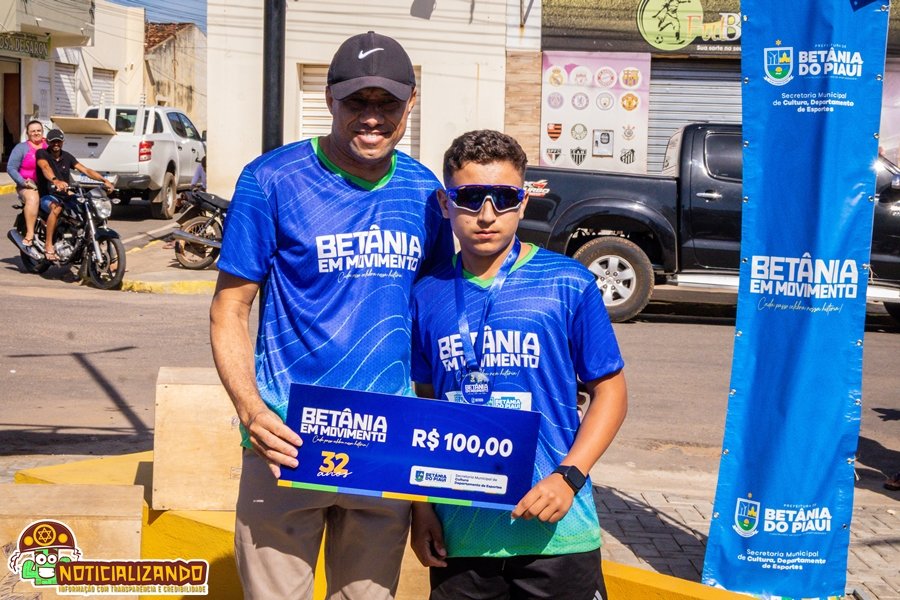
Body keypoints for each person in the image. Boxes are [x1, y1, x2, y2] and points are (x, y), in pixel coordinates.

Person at [209, 31, 453, 599]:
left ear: (410, 103)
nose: (372, 118)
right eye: (357, 103)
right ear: (329, 99)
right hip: (286, 442)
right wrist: (250, 410)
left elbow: (434, 325)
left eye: (386, 103)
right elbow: (229, 307)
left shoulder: (424, 192)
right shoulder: (270, 180)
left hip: (384, 444)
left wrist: (425, 487)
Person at [409, 130, 628, 600]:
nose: (486, 214)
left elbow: (610, 391)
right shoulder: (425, 293)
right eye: (469, 198)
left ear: (523, 202)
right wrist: (422, 506)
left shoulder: (567, 282)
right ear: (446, 204)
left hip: (558, 534)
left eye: (503, 197)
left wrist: (569, 476)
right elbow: (422, 404)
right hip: (462, 538)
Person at [35, 129, 113, 262]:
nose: (56, 144)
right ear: (48, 142)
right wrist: (56, 180)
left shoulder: (67, 156)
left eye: (58, 141)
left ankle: (90, 246)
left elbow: (85, 170)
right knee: (57, 208)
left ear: (63, 142)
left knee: (89, 207)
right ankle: (48, 245)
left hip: (66, 194)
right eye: (53, 141)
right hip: (47, 195)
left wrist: (103, 180)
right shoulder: (42, 153)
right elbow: (45, 168)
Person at [6, 120, 47, 255]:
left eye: (38, 130)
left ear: (42, 132)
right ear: (28, 133)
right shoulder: (21, 148)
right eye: (33, 131)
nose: (36, 133)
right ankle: (29, 234)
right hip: (28, 186)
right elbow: (11, 168)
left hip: (47, 185)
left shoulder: (49, 146)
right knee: (33, 198)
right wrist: (23, 182)